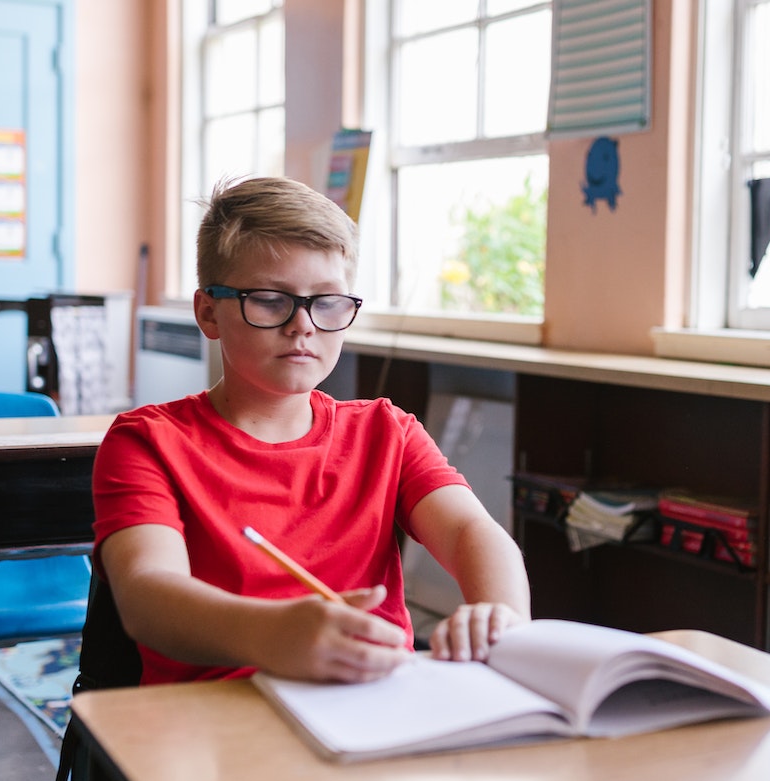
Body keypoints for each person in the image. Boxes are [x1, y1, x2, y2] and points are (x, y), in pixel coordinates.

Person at [91, 175, 530, 687]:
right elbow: (148, 596)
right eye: (271, 300)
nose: (303, 325)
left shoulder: (387, 432)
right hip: (213, 723)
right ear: (208, 311)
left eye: (326, 302)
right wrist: (271, 635)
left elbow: (469, 532)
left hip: (372, 706)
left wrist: (501, 616)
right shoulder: (147, 443)